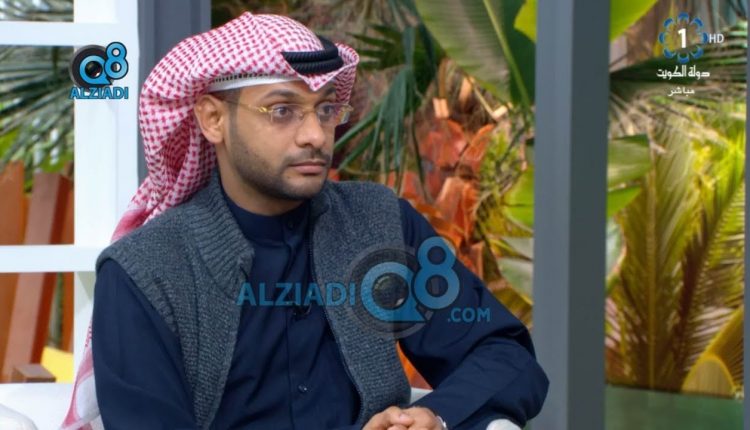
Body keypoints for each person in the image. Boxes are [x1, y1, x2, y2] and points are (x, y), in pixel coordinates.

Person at [62, 12, 548, 430]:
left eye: (326, 109)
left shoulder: (379, 223)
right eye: (282, 111)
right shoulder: (145, 272)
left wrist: (435, 417)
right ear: (212, 120)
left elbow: (505, 357)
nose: (315, 135)